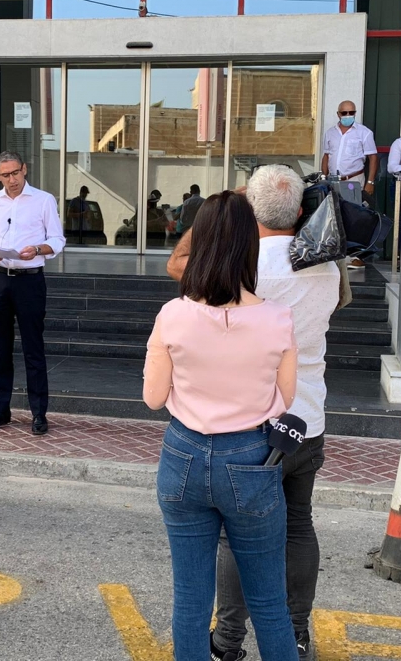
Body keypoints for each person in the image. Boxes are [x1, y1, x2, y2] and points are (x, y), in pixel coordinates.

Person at [167, 167, 341, 661]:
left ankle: (226, 642)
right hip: (307, 417)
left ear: (248, 210)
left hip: (251, 425)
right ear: (302, 211)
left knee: (232, 536)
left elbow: (177, 265)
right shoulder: (326, 267)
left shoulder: (239, 267)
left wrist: (219, 210)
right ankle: (297, 634)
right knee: (299, 525)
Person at [145, 190, 299, 661]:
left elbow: (153, 398)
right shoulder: (277, 318)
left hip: (183, 454)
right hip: (250, 459)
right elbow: (285, 399)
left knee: (190, 600)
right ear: (249, 246)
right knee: (270, 601)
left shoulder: (173, 314)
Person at [0, 152, 65, 436]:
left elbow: (57, 239)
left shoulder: (43, 200)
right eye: (5, 175)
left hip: (29, 281)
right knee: (0, 350)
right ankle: (1, 410)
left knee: (33, 349)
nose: (11, 180)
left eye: (15, 173)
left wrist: (38, 249)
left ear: (24, 170)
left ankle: (39, 414)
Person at [320, 101, 378, 269]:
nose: (347, 116)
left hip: (353, 180)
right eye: (344, 113)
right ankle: (335, 253)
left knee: (353, 217)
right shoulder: (330, 133)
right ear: (338, 114)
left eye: (351, 112)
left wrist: (370, 182)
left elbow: (373, 158)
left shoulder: (364, 133)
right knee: (332, 216)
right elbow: (326, 156)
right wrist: (323, 176)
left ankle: (354, 256)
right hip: (332, 180)